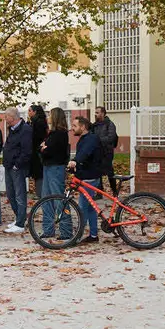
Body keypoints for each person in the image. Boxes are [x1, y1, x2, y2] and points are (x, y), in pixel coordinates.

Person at [68, 115, 103, 244]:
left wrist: (75, 161)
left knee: (82, 208)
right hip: (86, 175)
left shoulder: (91, 139)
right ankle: (93, 235)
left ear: (83, 127)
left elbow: (85, 154)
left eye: (74, 126)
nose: (72, 129)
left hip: (90, 178)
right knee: (89, 208)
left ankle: (77, 237)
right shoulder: (85, 138)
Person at [38, 107, 72, 240]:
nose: (48, 117)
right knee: (46, 198)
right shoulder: (52, 133)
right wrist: (43, 148)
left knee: (59, 199)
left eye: (50, 115)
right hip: (48, 167)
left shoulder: (60, 134)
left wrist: (44, 148)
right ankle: (48, 229)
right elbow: (42, 148)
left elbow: (49, 150)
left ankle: (66, 230)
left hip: (56, 168)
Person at [1, 107, 32, 233]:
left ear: (12, 117)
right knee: (11, 194)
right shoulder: (12, 129)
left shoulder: (25, 129)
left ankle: (20, 224)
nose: (4, 119)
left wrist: (17, 164)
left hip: (17, 167)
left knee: (19, 195)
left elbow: (26, 150)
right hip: (9, 165)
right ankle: (19, 217)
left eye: (6, 117)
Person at [92, 106, 121, 195]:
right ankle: (99, 192)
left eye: (97, 112)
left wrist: (98, 140)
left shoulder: (110, 124)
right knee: (97, 172)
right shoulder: (94, 125)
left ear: (103, 113)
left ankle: (115, 192)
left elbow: (111, 138)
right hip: (97, 152)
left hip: (107, 152)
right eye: (95, 112)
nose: (95, 114)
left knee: (109, 172)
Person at [28, 104, 48, 199]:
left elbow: (36, 137)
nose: (28, 113)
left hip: (37, 152)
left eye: (30, 111)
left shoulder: (38, 123)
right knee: (37, 173)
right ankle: (39, 192)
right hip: (36, 151)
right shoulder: (35, 122)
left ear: (35, 112)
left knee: (39, 173)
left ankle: (40, 193)